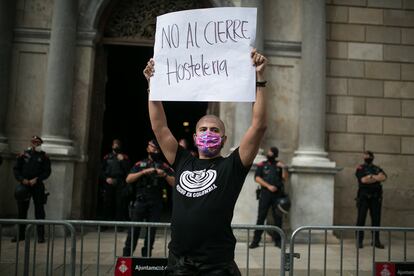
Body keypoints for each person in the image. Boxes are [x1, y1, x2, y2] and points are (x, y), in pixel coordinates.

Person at [144, 49, 267, 275]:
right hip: (179, 263)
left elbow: (258, 126)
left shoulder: (232, 166)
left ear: (223, 139)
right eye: (203, 129)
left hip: (216, 266)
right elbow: (159, 127)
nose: (208, 133)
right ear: (194, 137)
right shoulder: (182, 161)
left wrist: (259, 79)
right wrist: (154, 85)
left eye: (214, 130)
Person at [122, 139, 174, 257]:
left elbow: (175, 183)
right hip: (141, 201)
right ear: (147, 149)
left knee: (151, 232)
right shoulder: (140, 164)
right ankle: (126, 257)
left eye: (157, 149)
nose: (155, 150)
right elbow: (128, 179)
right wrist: (144, 172)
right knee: (133, 230)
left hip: (156, 201)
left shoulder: (163, 166)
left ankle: (146, 258)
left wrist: (164, 175)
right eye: (152, 148)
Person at [12, 135, 51, 243]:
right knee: (22, 211)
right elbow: (16, 169)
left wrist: (37, 179)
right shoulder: (23, 155)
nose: (35, 144)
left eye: (38, 143)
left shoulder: (44, 157)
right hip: (25, 185)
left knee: (39, 211)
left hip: (37, 186)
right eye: (34, 142)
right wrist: (21, 179)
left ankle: (40, 236)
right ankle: (20, 235)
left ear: (40, 144)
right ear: (31, 143)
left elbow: (47, 172)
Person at [249, 146, 288, 249]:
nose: (270, 154)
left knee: (278, 218)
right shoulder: (262, 164)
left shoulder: (279, 165)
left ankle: (278, 241)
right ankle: (255, 241)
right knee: (261, 217)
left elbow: (284, 178)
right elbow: (257, 178)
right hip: (265, 194)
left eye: (272, 153)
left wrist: (283, 168)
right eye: (269, 152)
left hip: (277, 195)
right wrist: (268, 186)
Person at [355, 150, 387, 249]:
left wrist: (371, 177)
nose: (366, 157)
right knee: (361, 219)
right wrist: (376, 177)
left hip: (376, 197)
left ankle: (376, 241)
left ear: (372, 157)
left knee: (376, 220)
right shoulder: (360, 168)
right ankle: (359, 241)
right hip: (364, 197)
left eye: (368, 155)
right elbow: (363, 180)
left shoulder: (377, 168)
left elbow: (384, 177)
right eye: (365, 155)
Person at [100, 139, 131, 222]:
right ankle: (104, 223)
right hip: (109, 181)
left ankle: (119, 223)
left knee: (120, 203)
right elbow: (101, 170)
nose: (116, 146)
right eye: (115, 144)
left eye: (118, 144)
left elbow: (128, 170)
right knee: (107, 203)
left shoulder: (124, 157)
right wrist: (106, 179)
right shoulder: (107, 157)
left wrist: (122, 161)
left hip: (120, 181)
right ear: (112, 146)